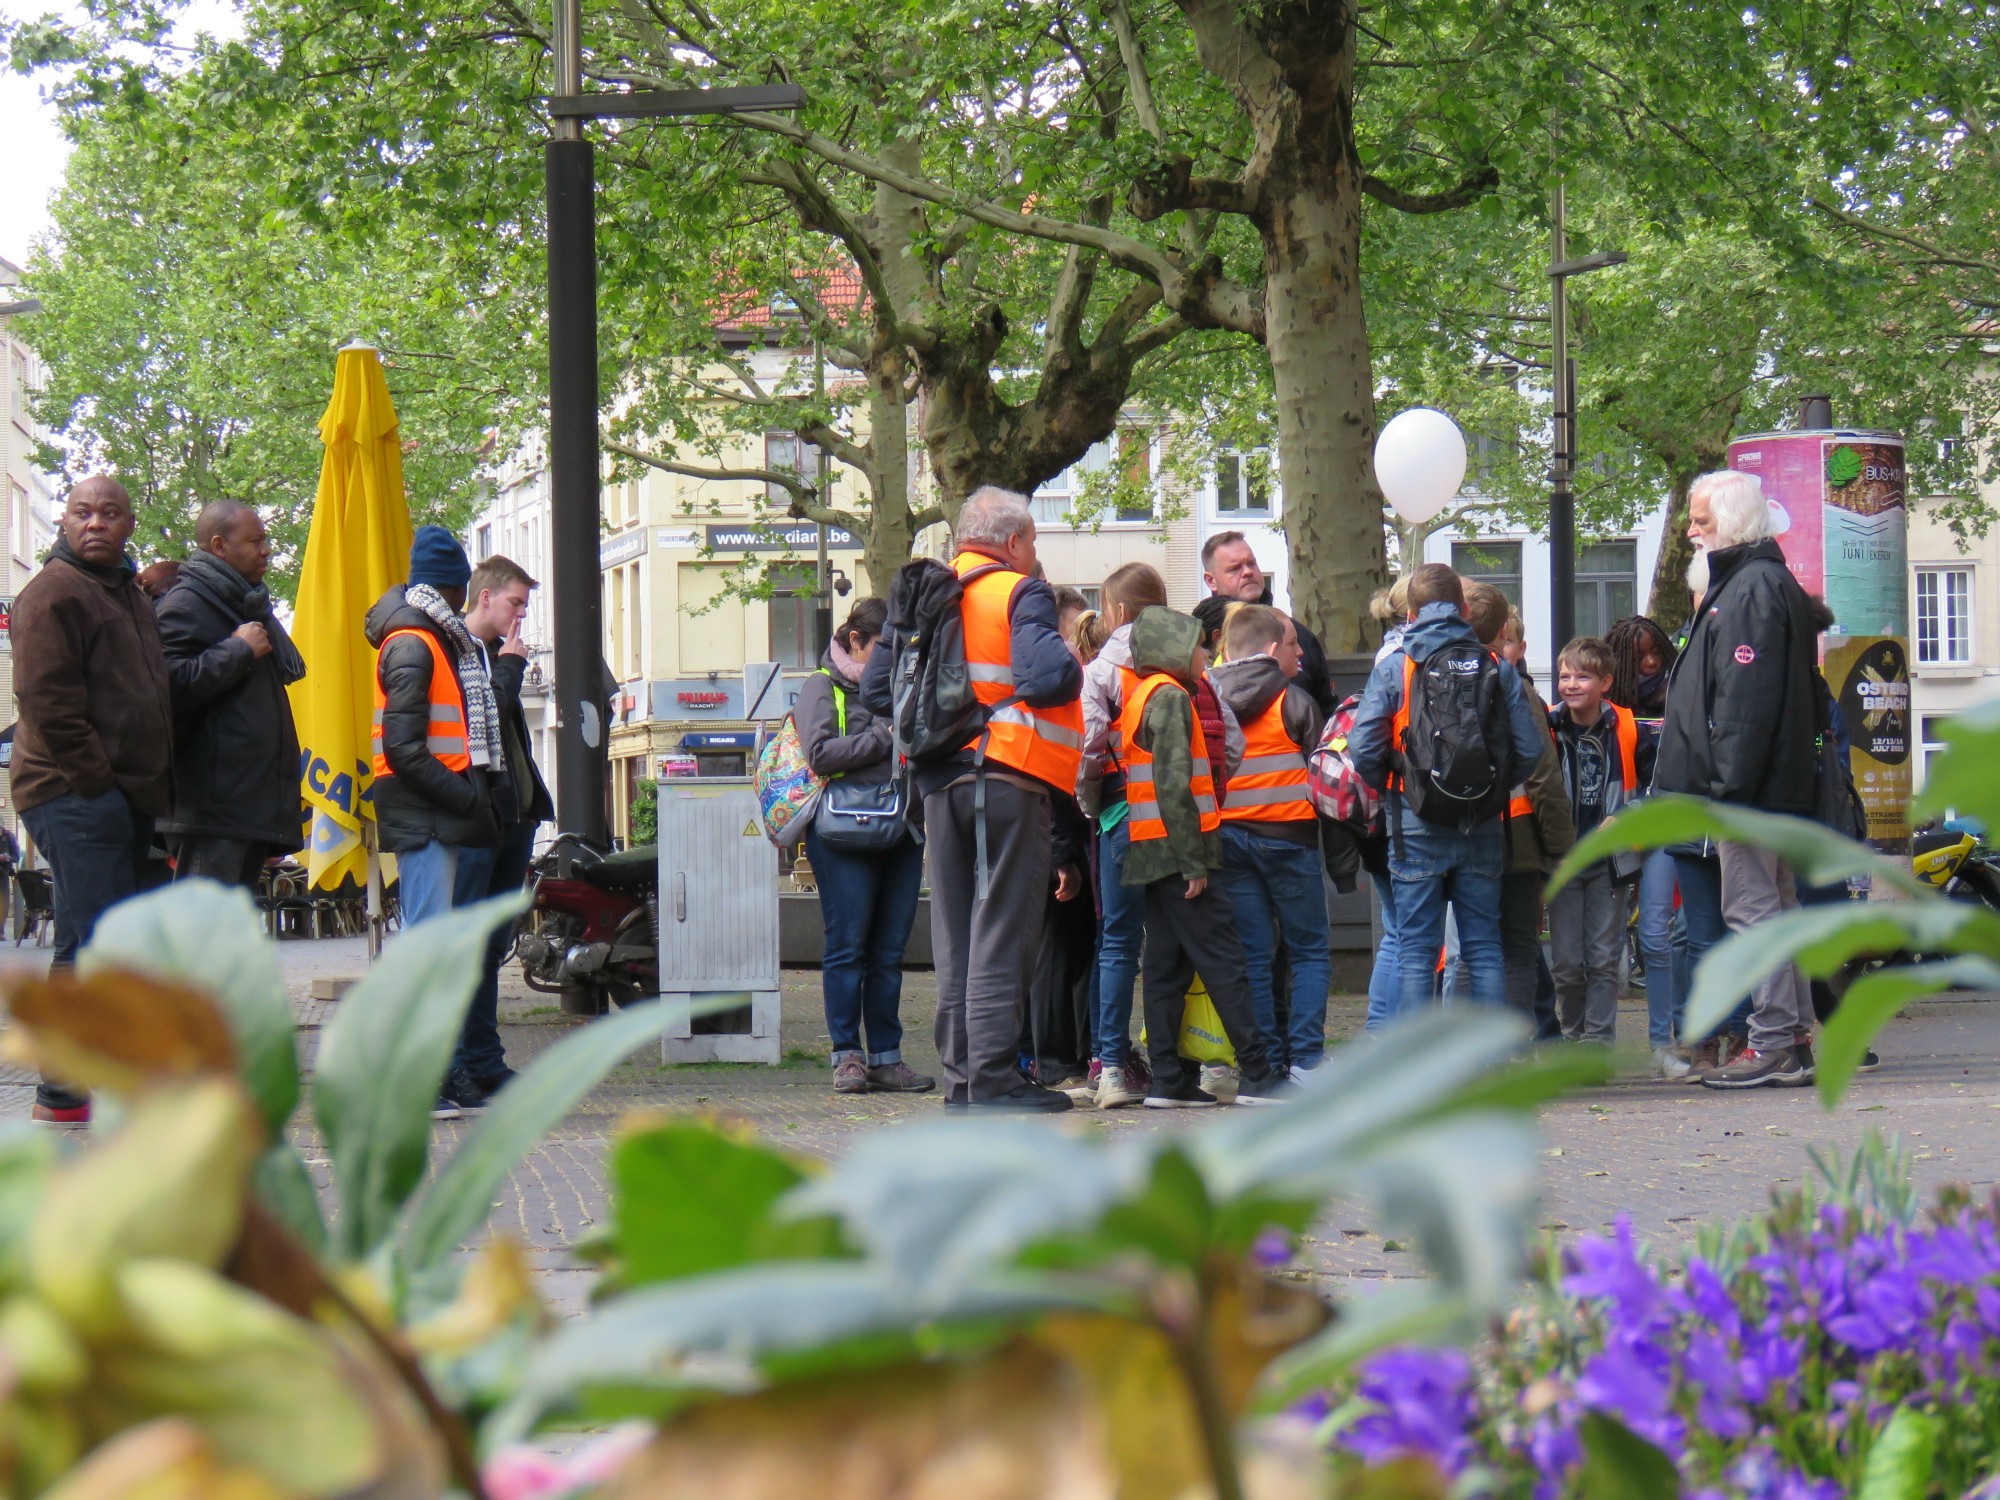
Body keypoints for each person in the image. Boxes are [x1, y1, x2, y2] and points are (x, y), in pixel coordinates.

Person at [860, 486, 1083, 1112]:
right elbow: (1046, 677)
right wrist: (1066, 658)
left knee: (956, 934)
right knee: (1003, 929)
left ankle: (962, 1081)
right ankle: (995, 1080)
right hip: (1006, 776)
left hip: (938, 784)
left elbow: (877, 689)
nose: (1033, 554)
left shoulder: (921, 593)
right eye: (1033, 541)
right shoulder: (1019, 591)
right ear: (1013, 542)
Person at [10, 476, 174, 1124]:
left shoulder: (123, 593)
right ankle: (63, 1087)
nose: (95, 523)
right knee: (88, 939)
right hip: (72, 791)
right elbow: (47, 702)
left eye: (109, 513)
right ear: (64, 521)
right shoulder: (52, 593)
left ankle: (84, 1079)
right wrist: (96, 782)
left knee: (104, 937)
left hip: (123, 794)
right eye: (82, 512)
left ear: (130, 523)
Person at [1657, 470, 1822, 1089]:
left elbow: (1743, 703)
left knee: (1752, 910)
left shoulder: (1747, 589)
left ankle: (1774, 1041)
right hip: (1766, 785)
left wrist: (1727, 788)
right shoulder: (1761, 582)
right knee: (1775, 907)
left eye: (1700, 521)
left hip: (1747, 792)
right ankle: (1795, 1039)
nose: (1692, 532)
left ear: (1730, 522)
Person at [1349, 564, 1548, 1018]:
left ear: (1412, 614)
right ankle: (1491, 1060)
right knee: (1483, 948)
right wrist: (1494, 789)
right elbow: (1530, 750)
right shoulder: (1495, 665)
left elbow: (1363, 748)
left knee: (1417, 950)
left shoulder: (1399, 665)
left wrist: (1400, 784)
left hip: (1415, 825)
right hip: (1481, 824)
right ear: (1461, 609)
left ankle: (1422, 1068)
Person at [1117, 605, 1287, 1106]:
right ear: (1173, 651)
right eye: (1197, 646)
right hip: (1179, 855)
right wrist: (1194, 863)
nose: (1206, 654)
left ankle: (1169, 1079)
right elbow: (1174, 786)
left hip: (1151, 851)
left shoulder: (1144, 695)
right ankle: (1258, 1073)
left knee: (1166, 968)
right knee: (1224, 961)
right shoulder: (1171, 698)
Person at [364, 526, 502, 1118]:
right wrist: (466, 798)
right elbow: (403, 746)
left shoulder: (424, 639)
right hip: (429, 813)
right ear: (449, 584)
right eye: (460, 583)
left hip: (429, 811)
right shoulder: (418, 643)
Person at [794, 597, 934, 1097]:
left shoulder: (903, 685)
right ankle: (847, 1056)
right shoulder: (821, 686)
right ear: (856, 641)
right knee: (848, 946)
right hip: (842, 834)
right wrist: (884, 738)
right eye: (883, 649)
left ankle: (886, 1059)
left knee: (889, 951)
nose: (892, 661)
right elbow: (819, 755)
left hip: (901, 829)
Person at [447, 555, 558, 1106]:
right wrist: (510, 668)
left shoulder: (491, 655)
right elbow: (478, 721)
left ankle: (485, 1062)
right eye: (515, 604)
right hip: (478, 819)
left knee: (491, 947)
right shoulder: (461, 653)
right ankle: (465, 1066)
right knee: (470, 947)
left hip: (512, 816)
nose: (521, 618)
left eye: (525, 607)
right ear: (484, 597)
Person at [155, 500, 306, 888]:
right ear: (219, 545)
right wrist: (237, 651)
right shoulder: (187, 603)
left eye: (265, 539)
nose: (266, 550)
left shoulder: (244, 604)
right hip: (213, 811)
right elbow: (166, 688)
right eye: (254, 541)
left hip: (244, 807)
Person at [1210, 603, 1330, 1080]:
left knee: (1254, 957)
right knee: (1308, 950)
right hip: (1289, 838)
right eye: (1293, 644)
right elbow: (1325, 779)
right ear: (1270, 649)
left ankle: (1263, 1065)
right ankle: (1306, 1060)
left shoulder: (1207, 698)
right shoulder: (1295, 701)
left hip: (1229, 839)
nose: (1301, 653)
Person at [1075, 562, 1172, 1108]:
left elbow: (1090, 749)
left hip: (1123, 817)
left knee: (1118, 943)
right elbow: (1222, 737)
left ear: (1115, 613)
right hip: (1182, 819)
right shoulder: (1187, 664)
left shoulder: (1100, 673)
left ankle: (1110, 1068)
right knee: (1172, 942)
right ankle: (1176, 1064)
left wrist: (1093, 803)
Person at [1466, 585, 1571, 1037]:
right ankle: (1513, 1048)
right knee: (1518, 949)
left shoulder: (1431, 675)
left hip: (1459, 835)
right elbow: (1543, 774)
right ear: (1502, 634)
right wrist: (1561, 845)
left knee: (1471, 949)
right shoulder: (1513, 687)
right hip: (1517, 839)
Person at [1547, 637, 1653, 1046]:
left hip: (1610, 862)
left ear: (1605, 682)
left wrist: (1625, 817)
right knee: (1568, 963)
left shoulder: (1625, 728)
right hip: (1565, 860)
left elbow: (1651, 787)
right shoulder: (1549, 727)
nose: (1571, 684)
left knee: (1605, 959)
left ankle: (1598, 1043)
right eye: (1565, 676)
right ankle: (1573, 1035)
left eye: (1582, 677)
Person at [1607, 614, 1689, 1075]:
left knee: (1656, 935)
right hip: (1614, 826)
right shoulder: (1605, 704)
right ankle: (1597, 1044)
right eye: (1640, 656)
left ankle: (1662, 1044)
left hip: (1659, 823)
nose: (1652, 661)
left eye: (1656, 651)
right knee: (1602, 948)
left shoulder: (1679, 695)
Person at [1201, 531, 1335, 715]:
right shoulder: (1198, 641)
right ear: (1211, 580)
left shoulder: (1297, 634)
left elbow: (1326, 708)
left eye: (1251, 563)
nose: (1248, 572)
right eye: (1235, 568)